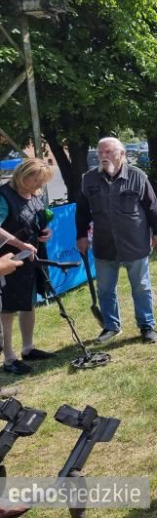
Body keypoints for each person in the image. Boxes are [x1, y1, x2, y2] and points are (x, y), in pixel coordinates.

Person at [76, 137, 157, 344]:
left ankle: (147, 326)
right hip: (104, 244)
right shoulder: (89, 179)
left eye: (108, 152)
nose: (103, 156)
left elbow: (152, 207)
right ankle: (111, 325)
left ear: (122, 154)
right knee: (105, 289)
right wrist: (81, 235)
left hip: (135, 242)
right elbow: (82, 211)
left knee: (141, 287)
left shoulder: (137, 176)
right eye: (100, 153)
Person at [0, 159, 54, 375]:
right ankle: (9, 358)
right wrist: (19, 244)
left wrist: (45, 233)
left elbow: (38, 221)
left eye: (42, 181)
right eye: (36, 180)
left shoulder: (35, 195)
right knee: (7, 309)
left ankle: (28, 349)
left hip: (32, 259)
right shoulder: (4, 196)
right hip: (8, 260)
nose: (38, 185)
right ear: (23, 175)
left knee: (28, 303)